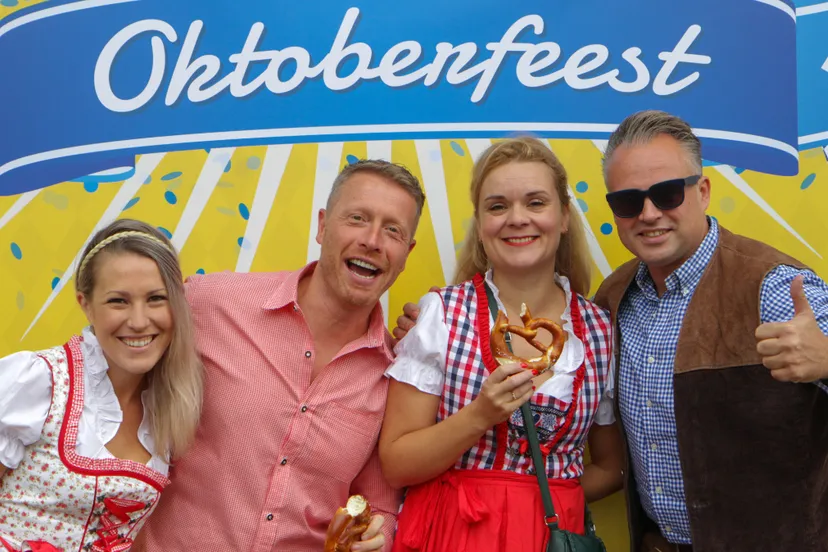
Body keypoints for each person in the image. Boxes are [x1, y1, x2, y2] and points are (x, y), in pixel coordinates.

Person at [136, 159, 425, 551]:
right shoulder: (212, 304)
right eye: (357, 218)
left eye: (392, 230)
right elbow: (113, 362)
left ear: (406, 253)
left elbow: (377, 506)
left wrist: (377, 535)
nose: (372, 240)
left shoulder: (393, 374)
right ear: (323, 226)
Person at [592, 111, 828, 552]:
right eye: (628, 201)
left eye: (666, 194)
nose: (648, 214)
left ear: (702, 192)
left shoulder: (772, 286)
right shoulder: (613, 297)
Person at [379, 137, 624, 552]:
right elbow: (396, 463)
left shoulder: (599, 331)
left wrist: (535, 502)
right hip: (454, 534)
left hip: (552, 536)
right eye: (497, 206)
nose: (516, 218)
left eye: (535, 203)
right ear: (481, 223)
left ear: (564, 216)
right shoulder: (441, 315)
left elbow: (611, 467)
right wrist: (479, 415)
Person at [0, 219, 203, 552]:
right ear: (85, 304)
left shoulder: (173, 405)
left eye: (155, 298)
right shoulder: (39, 381)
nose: (138, 321)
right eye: (118, 301)